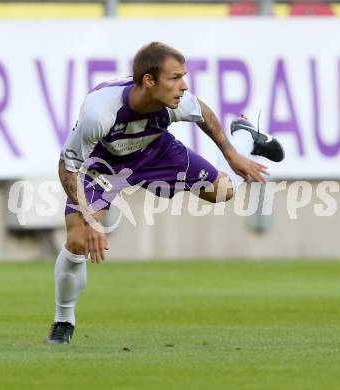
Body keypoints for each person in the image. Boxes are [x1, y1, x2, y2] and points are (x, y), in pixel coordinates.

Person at [45, 42, 284, 344]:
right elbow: (67, 167)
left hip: (155, 151)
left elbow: (204, 114)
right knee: (77, 239)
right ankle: (63, 322)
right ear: (149, 81)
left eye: (183, 76)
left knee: (222, 192)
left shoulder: (176, 101)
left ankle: (244, 137)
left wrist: (232, 153)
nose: (183, 86)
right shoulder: (99, 113)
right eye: (175, 78)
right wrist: (92, 220)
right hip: (103, 165)